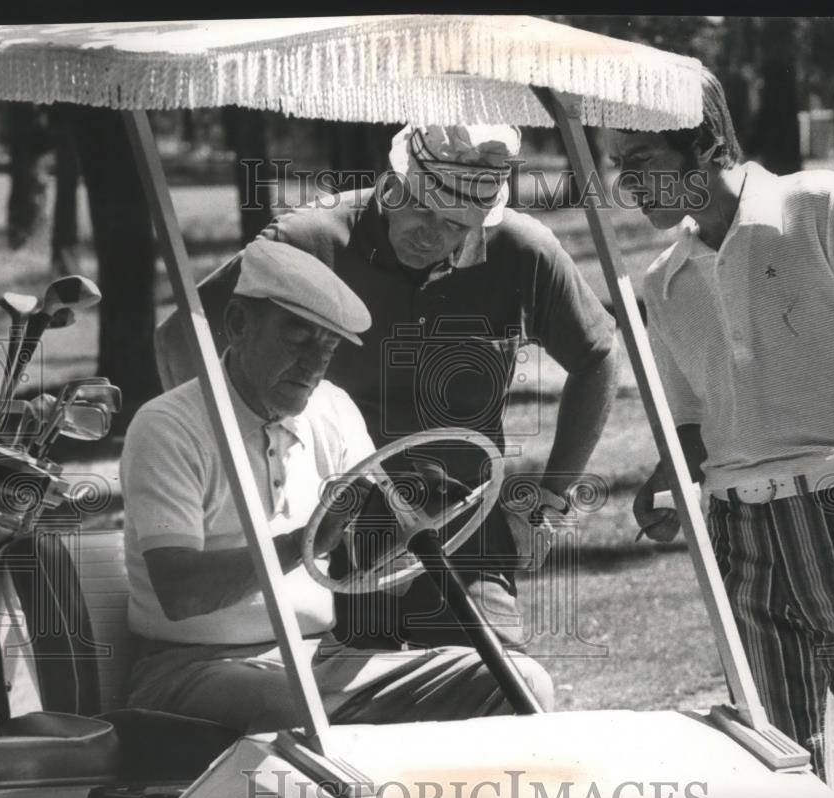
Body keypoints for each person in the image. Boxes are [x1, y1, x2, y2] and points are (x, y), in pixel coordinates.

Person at [614, 67, 834, 798]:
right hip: (742, 538)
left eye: (640, 164)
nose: (626, 186)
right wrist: (666, 475)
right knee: (773, 777)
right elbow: (693, 423)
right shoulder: (663, 280)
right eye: (617, 167)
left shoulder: (820, 203)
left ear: (705, 145)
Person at [158, 123, 619, 650]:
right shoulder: (310, 240)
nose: (431, 233)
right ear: (392, 184)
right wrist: (238, 464)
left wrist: (549, 502)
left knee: (501, 685)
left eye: (454, 225)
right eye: (422, 208)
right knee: (347, 707)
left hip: (463, 526)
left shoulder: (523, 250)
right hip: (330, 530)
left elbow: (598, 355)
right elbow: (179, 341)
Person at [122, 240, 554, 733]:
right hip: (192, 669)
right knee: (294, 708)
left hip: (319, 660)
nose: (313, 366)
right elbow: (181, 594)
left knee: (521, 682)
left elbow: (385, 573)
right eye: (299, 339)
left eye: (327, 349)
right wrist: (303, 544)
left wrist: (418, 522)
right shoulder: (168, 427)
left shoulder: (333, 410)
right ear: (239, 325)